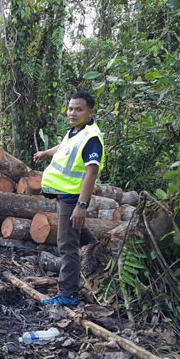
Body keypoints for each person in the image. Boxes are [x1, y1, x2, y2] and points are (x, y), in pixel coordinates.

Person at [33, 91, 104, 307]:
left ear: (90, 112)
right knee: (78, 234)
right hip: (64, 195)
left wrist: (81, 205)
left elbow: (92, 172)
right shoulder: (76, 132)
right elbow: (64, 147)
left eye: (79, 109)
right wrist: (47, 152)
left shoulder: (91, 138)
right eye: (71, 108)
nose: (72, 113)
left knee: (67, 245)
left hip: (73, 198)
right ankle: (102, 258)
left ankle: (67, 294)